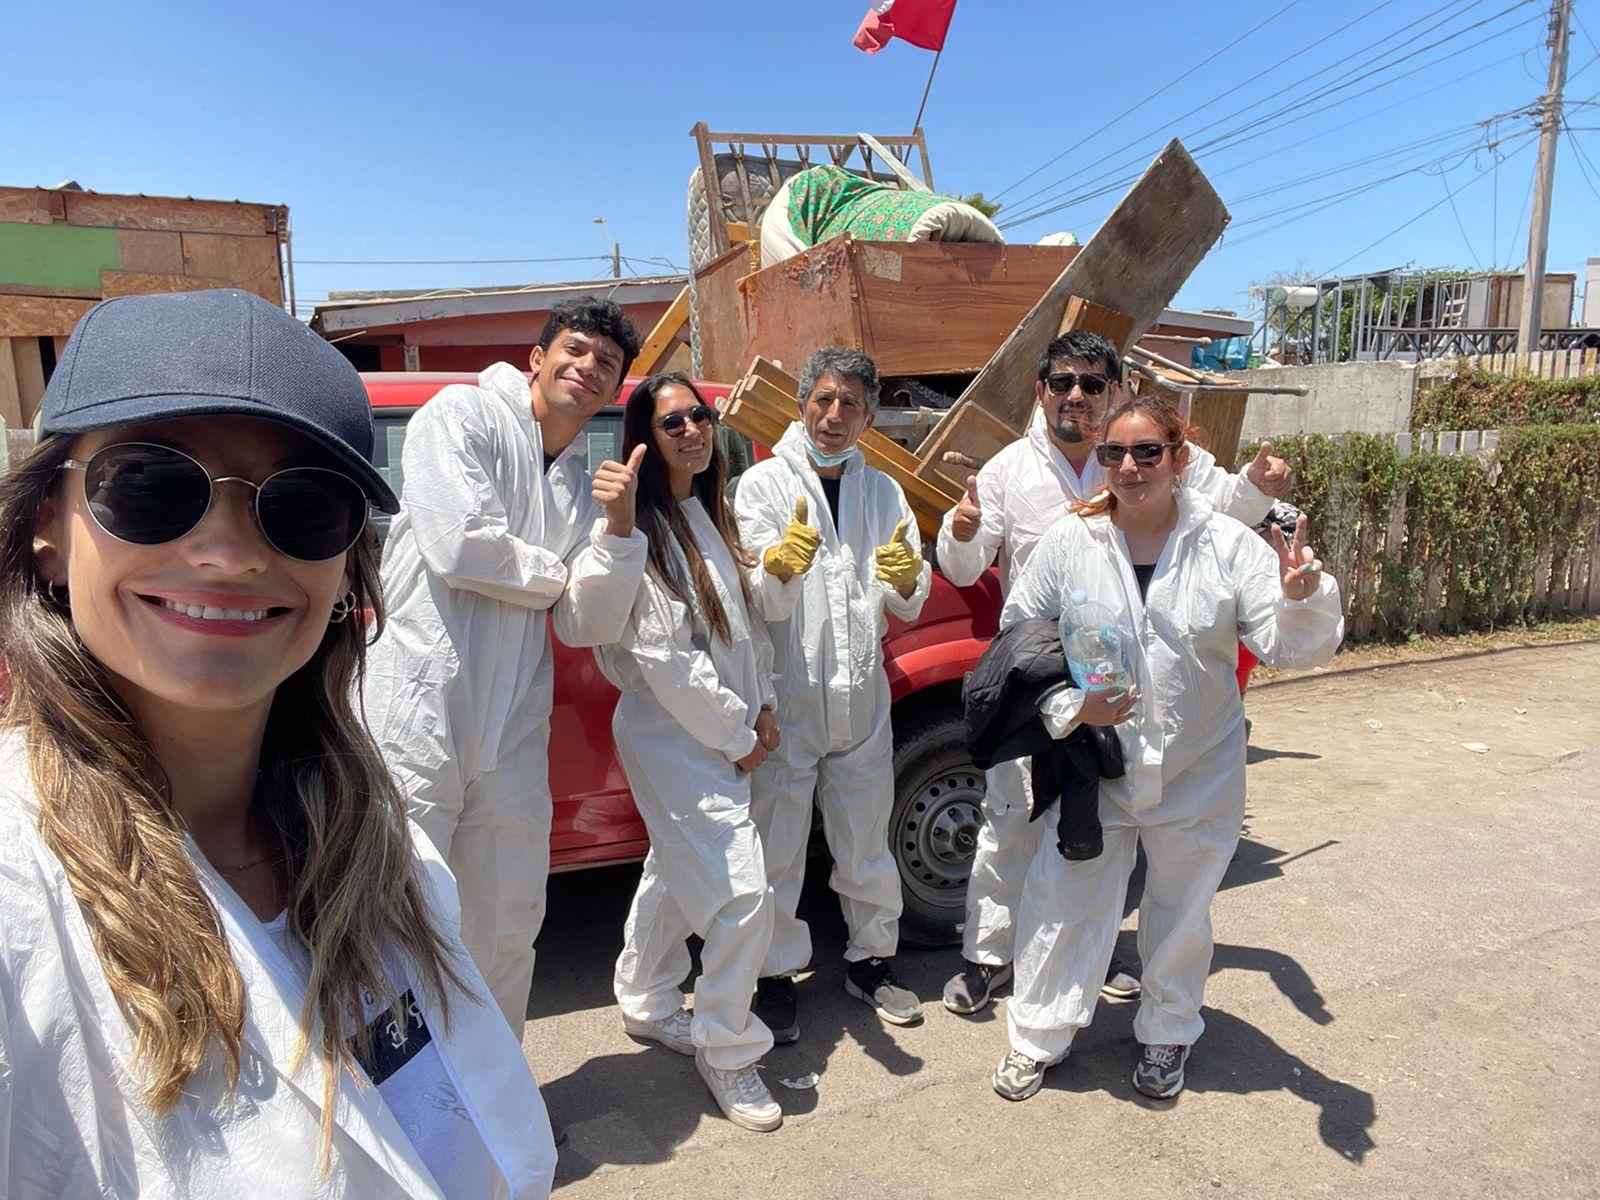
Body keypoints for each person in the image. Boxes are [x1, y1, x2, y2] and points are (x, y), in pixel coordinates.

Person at [0, 289, 554, 1197]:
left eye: (299, 506)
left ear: (344, 572)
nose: (229, 551)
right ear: (49, 532)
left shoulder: (375, 841)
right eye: (149, 484)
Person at [989, 393, 1343, 1102]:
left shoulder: (1229, 545)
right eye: (1114, 453)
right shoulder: (1071, 542)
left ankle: (1166, 1035)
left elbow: (1285, 643)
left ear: (1179, 459)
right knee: (1065, 902)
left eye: (1147, 451)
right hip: (1097, 764)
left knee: (1180, 913)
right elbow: (1018, 640)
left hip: (1197, 769)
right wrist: (1068, 706)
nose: (1128, 466)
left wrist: (1301, 595)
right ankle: (1038, 1037)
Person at [936, 331, 1294, 1016]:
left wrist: (1259, 487)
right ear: (1040, 392)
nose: (1077, 394)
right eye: (1063, 381)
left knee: (1096, 842)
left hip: (1134, 697)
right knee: (1011, 821)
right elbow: (962, 568)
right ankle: (988, 957)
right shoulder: (1008, 470)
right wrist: (961, 531)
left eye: (1093, 383)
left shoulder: (1148, 456)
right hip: (1046, 685)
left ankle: (1094, 957)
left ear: (1117, 391)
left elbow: (1220, 511)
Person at [363, 298, 649, 1033]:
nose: (588, 368)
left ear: (615, 390)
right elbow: (461, 546)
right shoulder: (460, 416)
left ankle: (499, 1105)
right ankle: (405, 1122)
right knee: (399, 913)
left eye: (607, 364)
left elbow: (588, 618)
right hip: (420, 712)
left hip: (513, 728)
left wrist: (618, 537)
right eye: (576, 350)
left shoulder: (579, 491)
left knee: (506, 921)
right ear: (538, 357)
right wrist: (559, 572)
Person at [595, 374, 784, 1132]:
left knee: (674, 868)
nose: (691, 431)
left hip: (718, 731)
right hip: (679, 739)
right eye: (671, 423)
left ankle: (645, 999)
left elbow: (742, 630)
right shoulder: (640, 534)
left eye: (698, 416)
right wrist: (740, 737)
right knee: (742, 897)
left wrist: (763, 700)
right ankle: (729, 1049)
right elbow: (669, 663)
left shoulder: (709, 511)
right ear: (643, 437)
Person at [734, 346, 932, 1042]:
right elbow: (763, 601)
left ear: (870, 416)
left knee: (865, 837)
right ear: (800, 404)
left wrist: (909, 580)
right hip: (789, 699)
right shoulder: (761, 487)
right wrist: (779, 569)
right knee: (777, 844)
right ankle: (771, 975)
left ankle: (872, 961)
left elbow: (906, 595)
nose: (833, 414)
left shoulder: (883, 494)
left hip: (861, 700)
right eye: (822, 398)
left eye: (850, 402)